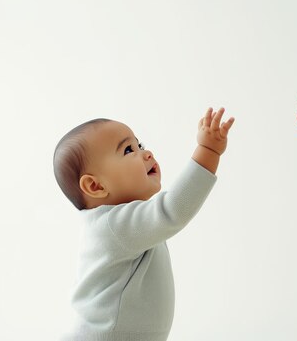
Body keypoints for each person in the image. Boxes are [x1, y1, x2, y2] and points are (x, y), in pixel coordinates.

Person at [53, 107, 235, 341]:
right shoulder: (113, 226)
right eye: (128, 150)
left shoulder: (125, 224)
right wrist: (207, 151)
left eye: (140, 145)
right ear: (96, 187)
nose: (146, 153)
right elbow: (174, 209)